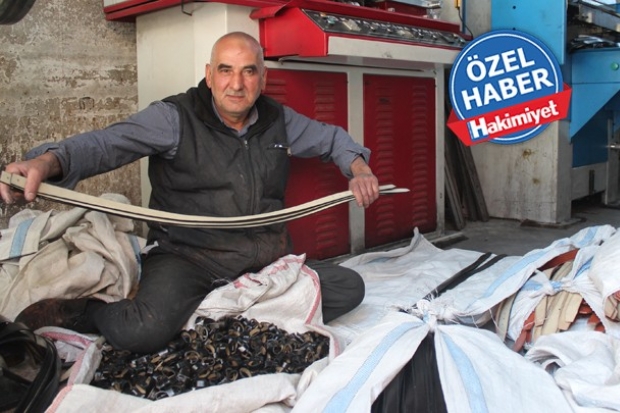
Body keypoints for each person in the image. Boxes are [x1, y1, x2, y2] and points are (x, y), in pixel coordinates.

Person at [0, 32, 380, 354]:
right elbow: (106, 145)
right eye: (226, 70)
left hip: (262, 258)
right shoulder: (173, 118)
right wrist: (46, 162)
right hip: (188, 256)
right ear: (209, 75)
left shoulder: (278, 120)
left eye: (249, 71)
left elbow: (332, 140)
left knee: (349, 288)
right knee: (142, 331)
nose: (237, 84)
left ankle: (221, 309)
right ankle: (87, 312)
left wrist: (359, 168)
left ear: (262, 78)